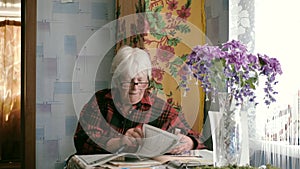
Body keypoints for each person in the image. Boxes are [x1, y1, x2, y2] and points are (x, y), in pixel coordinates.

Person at [73, 45, 206, 155]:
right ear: (117, 80)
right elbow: (81, 141)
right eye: (127, 81)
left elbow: (197, 141)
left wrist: (189, 142)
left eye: (141, 81)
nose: (135, 88)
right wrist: (119, 142)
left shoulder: (160, 108)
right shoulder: (101, 101)